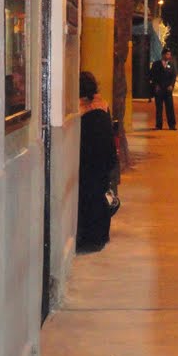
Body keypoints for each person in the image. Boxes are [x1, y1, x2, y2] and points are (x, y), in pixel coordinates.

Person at [76, 71, 118, 252]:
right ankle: (101, 234)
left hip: (89, 160)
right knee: (100, 194)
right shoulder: (103, 105)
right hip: (105, 158)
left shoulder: (80, 111)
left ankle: (90, 238)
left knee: (88, 197)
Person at [149, 46, 177, 130]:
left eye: (170, 54)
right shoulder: (156, 64)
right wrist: (156, 85)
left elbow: (173, 76)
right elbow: (152, 75)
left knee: (170, 108)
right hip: (159, 89)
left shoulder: (171, 65)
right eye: (167, 54)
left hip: (168, 90)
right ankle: (158, 125)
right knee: (159, 108)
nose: (169, 56)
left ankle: (172, 125)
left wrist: (172, 85)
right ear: (163, 55)